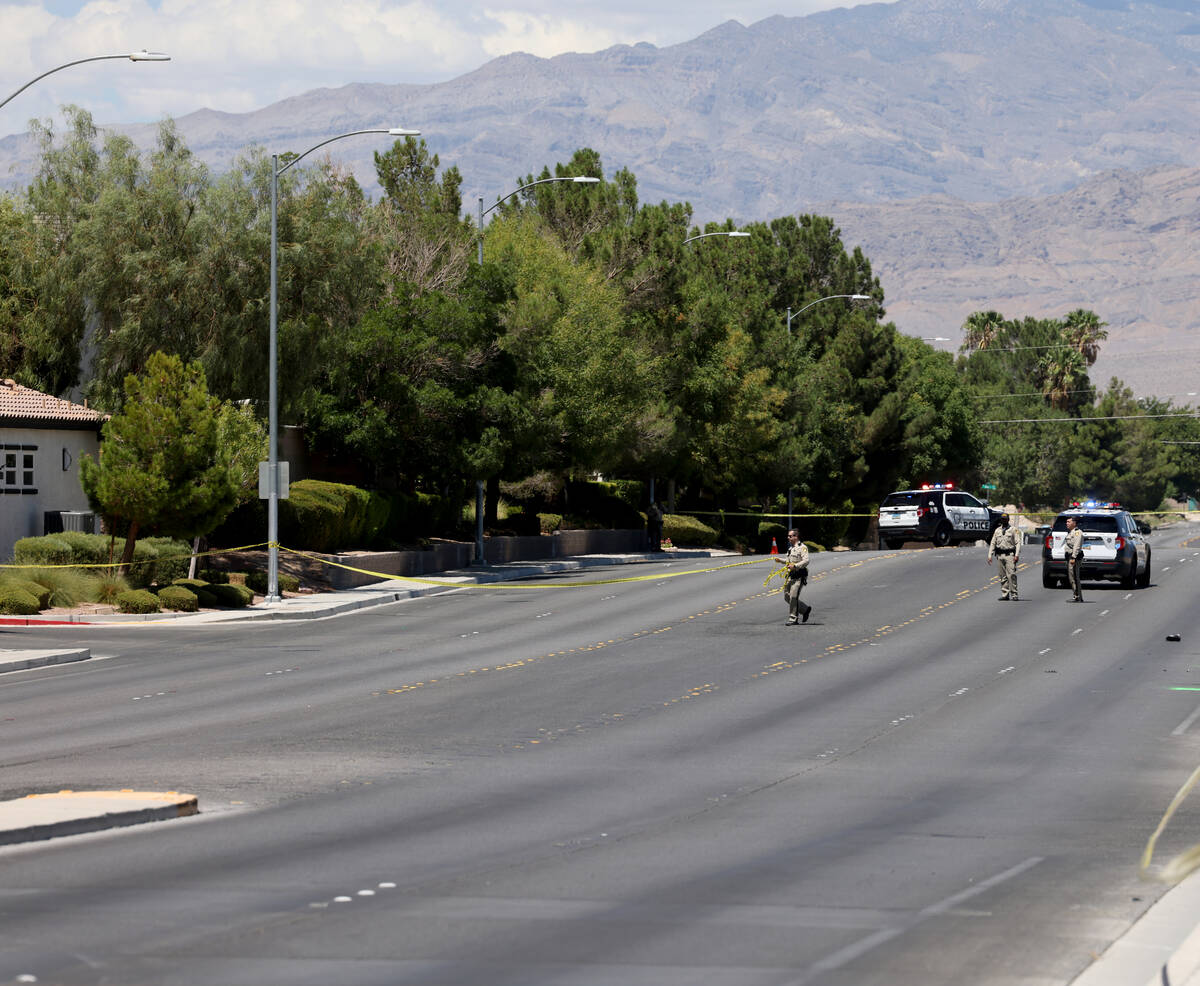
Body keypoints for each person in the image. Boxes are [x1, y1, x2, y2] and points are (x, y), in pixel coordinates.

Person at [774, 528, 812, 625]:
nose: (788, 538)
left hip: (799, 575)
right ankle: (805, 610)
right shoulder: (791, 549)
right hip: (791, 575)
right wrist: (780, 560)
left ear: (796, 537)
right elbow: (788, 562)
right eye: (788, 536)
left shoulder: (802, 547)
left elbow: (806, 560)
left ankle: (793, 619)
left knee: (793, 597)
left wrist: (795, 566)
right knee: (787, 597)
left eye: (790, 536)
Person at [987, 512, 1021, 600]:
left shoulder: (1013, 530)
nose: (1004, 521)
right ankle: (1005, 594)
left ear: (1008, 520)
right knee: (1002, 576)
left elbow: (1017, 543)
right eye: (1002, 519)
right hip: (999, 555)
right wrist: (989, 555)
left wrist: (1016, 555)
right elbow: (993, 543)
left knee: (1012, 575)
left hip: (1010, 555)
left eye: (1005, 519)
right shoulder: (997, 530)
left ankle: (1014, 595)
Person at [1063, 515, 1084, 602]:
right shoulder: (1071, 532)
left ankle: (1078, 596)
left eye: (1069, 522)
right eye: (1067, 522)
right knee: (1071, 577)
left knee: (1075, 577)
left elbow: (1077, 546)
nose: (1066, 523)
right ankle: (1076, 595)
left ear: (1074, 523)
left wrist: (1073, 557)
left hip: (1074, 557)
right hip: (1070, 557)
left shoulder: (1077, 532)